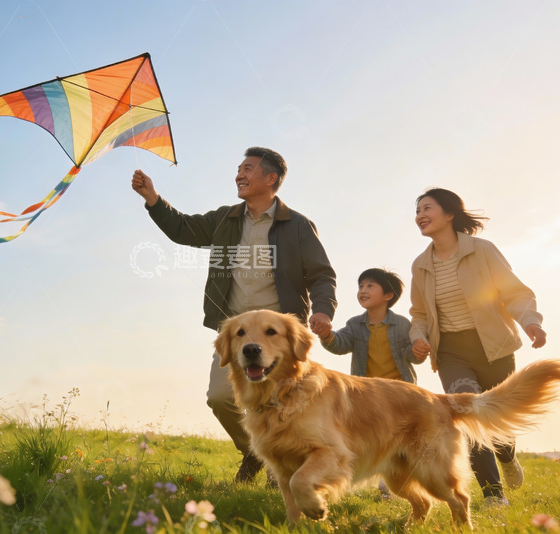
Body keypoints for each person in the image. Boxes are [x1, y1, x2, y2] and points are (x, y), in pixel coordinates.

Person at [132, 147, 337, 483]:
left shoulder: (297, 225)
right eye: (239, 169)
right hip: (237, 333)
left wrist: (325, 310)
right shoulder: (226, 219)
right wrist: (153, 198)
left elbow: (320, 274)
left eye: (248, 169)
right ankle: (257, 453)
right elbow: (184, 229)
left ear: (270, 179)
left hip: (278, 336)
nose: (240, 175)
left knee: (283, 403)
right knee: (220, 397)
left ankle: (283, 466)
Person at [409, 188, 546, 506]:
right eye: (417, 212)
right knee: (469, 415)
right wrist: (419, 337)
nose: (419, 216)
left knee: (498, 419)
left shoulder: (482, 250)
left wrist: (530, 322)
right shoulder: (420, 265)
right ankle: (494, 495)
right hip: (451, 351)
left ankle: (507, 455)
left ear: (450, 214)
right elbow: (419, 314)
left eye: (426, 208)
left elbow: (514, 292)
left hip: (493, 346)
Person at [319, 268, 424, 384]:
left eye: (370, 286)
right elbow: (340, 344)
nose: (363, 291)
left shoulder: (402, 324)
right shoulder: (354, 325)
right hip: (367, 391)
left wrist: (418, 351)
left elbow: (411, 356)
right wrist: (326, 335)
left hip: (400, 390)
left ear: (388, 295)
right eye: (361, 286)